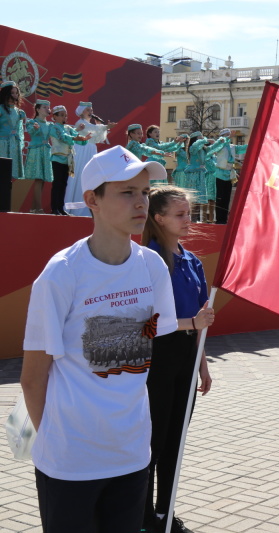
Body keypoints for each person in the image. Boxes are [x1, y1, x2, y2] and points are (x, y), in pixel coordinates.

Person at [20, 145, 179, 533]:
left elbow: (148, 349)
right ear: (92, 200)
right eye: (127, 192)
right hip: (70, 462)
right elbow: (32, 376)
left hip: (131, 455)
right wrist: (60, 440)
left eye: (144, 192)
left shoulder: (152, 266)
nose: (141, 202)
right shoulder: (62, 274)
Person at [141, 186, 215, 533]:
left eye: (189, 213)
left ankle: (166, 512)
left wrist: (202, 363)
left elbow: (202, 317)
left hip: (186, 355)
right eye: (180, 214)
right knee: (153, 441)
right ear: (159, 219)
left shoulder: (192, 261)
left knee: (176, 441)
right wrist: (191, 324)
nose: (189, 220)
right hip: (158, 356)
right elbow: (143, 324)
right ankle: (144, 517)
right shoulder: (148, 260)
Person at [65, 102, 116, 216]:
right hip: (81, 150)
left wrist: (102, 128)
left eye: (91, 109)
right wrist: (105, 127)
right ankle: (73, 208)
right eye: (88, 110)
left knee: (89, 177)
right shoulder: (81, 123)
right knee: (79, 176)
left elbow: (98, 138)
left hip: (91, 150)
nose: (91, 112)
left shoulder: (91, 125)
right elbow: (93, 129)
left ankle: (85, 208)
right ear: (82, 112)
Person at [49, 105, 91, 215]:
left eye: (65, 115)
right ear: (55, 117)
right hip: (57, 158)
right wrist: (75, 138)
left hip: (67, 160)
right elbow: (63, 137)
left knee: (63, 184)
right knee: (57, 183)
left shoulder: (68, 128)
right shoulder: (54, 128)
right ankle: (54, 208)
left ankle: (61, 208)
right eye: (62, 115)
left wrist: (84, 139)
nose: (64, 118)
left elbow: (76, 136)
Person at [23, 100, 55, 213]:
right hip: (36, 151)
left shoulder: (50, 124)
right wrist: (35, 128)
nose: (47, 109)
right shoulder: (32, 122)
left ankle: (33, 208)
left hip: (45, 151)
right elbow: (31, 133)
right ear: (37, 109)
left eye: (48, 107)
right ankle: (39, 208)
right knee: (38, 179)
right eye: (44, 107)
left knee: (42, 180)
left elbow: (60, 133)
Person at [214, 129, 247, 224]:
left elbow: (243, 148)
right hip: (220, 174)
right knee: (219, 198)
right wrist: (227, 138)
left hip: (229, 175)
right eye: (226, 135)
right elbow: (216, 146)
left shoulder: (232, 147)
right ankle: (219, 219)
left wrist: (257, 141)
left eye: (229, 135)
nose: (229, 136)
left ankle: (224, 219)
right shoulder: (220, 145)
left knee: (226, 198)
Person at [0, 80, 27, 183]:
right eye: (12, 93)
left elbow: (20, 130)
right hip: (2, 144)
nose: (15, 95)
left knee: (8, 176)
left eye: (16, 93)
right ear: (6, 94)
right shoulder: (1, 109)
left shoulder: (18, 111)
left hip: (13, 145)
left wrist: (18, 143)